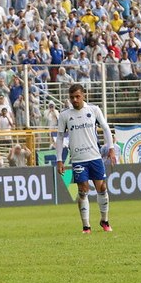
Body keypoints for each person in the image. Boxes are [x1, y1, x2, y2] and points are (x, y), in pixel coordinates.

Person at [56, 84, 115, 234]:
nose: (74, 100)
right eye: (72, 97)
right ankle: (86, 226)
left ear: (83, 95)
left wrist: (111, 149)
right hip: (78, 159)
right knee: (83, 190)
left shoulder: (93, 110)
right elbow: (60, 137)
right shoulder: (64, 115)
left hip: (95, 156)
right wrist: (59, 160)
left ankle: (104, 220)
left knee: (102, 188)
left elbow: (106, 128)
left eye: (77, 96)